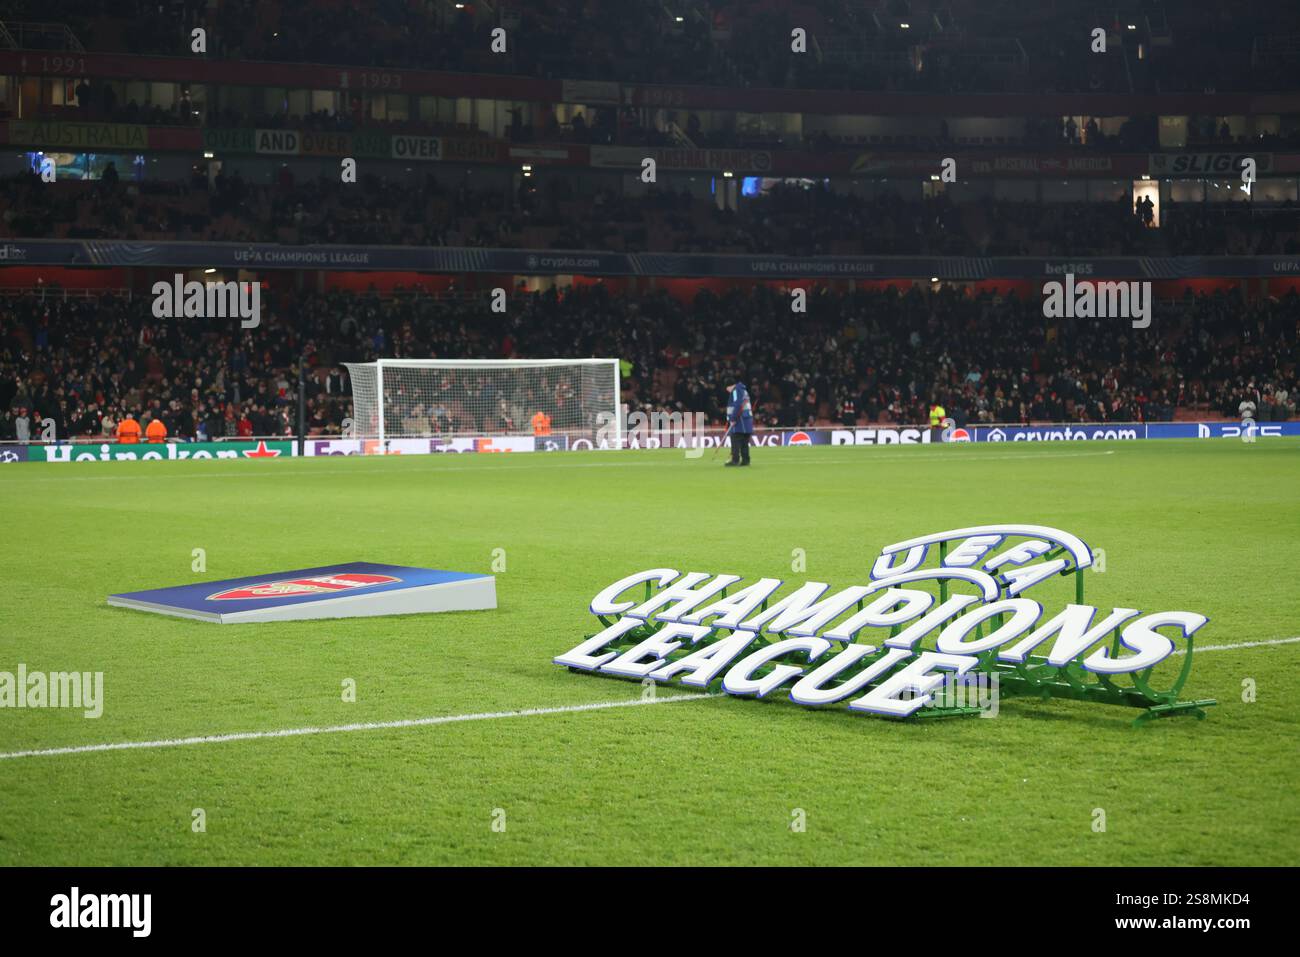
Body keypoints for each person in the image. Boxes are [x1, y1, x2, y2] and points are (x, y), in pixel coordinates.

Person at [724, 377, 753, 467]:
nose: (728, 392)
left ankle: (735, 460)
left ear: (729, 387)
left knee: (735, 439)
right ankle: (745, 460)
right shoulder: (744, 390)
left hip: (740, 420)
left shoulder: (736, 391)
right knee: (744, 441)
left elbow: (737, 404)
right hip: (746, 419)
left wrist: (732, 418)